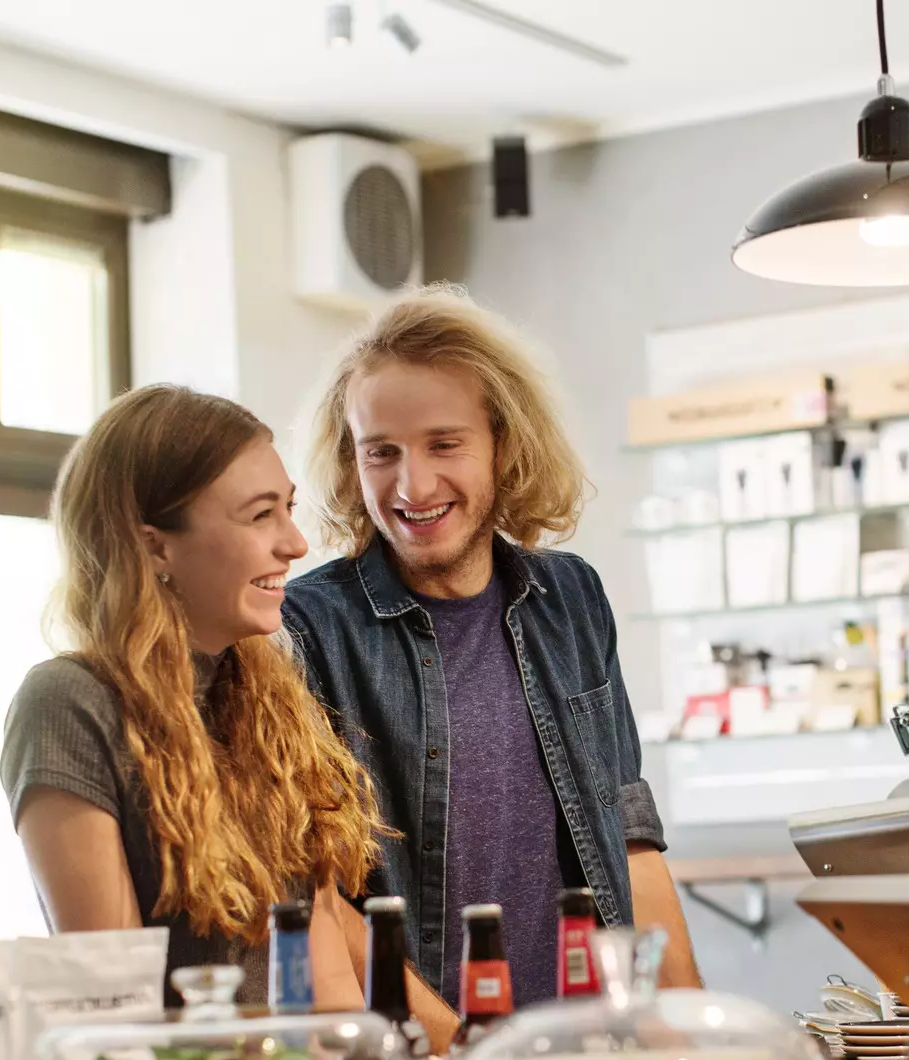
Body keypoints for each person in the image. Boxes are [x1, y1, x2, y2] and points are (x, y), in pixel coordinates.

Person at [281, 286, 702, 1011]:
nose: (412, 485)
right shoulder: (311, 627)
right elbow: (320, 899)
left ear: (504, 443)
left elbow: (630, 840)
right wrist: (454, 1052)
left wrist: (696, 1029)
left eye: (444, 444)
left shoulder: (571, 600)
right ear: (351, 461)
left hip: (588, 1047)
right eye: (381, 452)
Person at [1, 384, 454, 1044]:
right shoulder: (71, 704)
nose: (295, 543)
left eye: (289, 510)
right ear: (155, 547)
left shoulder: (268, 697)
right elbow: (118, 1013)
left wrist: (449, 1052)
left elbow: (323, 949)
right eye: (260, 516)